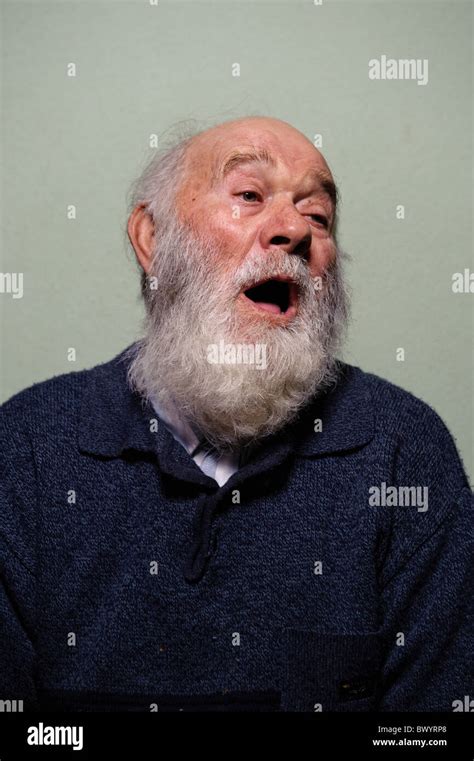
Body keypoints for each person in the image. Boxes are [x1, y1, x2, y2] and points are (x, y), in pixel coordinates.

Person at [0, 116, 472, 712]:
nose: (292, 230)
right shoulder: (28, 448)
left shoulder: (404, 452)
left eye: (318, 216)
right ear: (152, 239)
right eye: (249, 195)